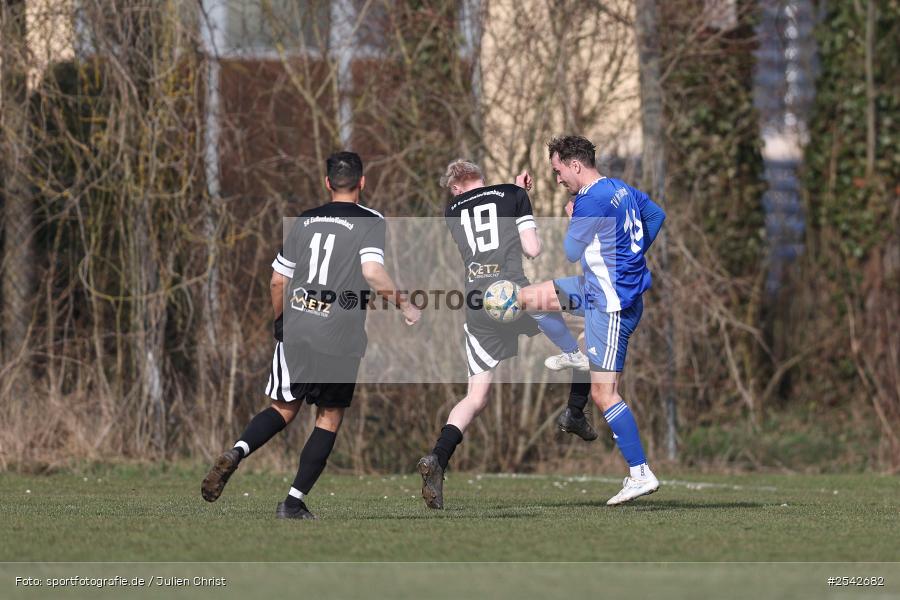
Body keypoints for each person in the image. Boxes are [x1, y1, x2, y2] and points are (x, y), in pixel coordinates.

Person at [201, 151, 420, 519]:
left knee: (283, 408)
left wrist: (281, 322)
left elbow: (276, 279)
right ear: (362, 184)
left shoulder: (303, 221)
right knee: (328, 416)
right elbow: (371, 271)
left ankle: (237, 451)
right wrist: (404, 304)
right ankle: (293, 502)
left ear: (327, 183)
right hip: (339, 334)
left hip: (298, 327)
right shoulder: (370, 220)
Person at [416, 159, 593, 510]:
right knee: (583, 345)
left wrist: (512, 194)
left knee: (476, 397)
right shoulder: (512, 195)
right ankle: (575, 410)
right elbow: (532, 249)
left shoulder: (452, 211)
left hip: (479, 304)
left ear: (454, 188)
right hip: (517, 296)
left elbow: (480, 212)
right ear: (480, 176)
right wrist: (519, 196)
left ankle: (438, 457)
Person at [518, 135, 667, 505]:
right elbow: (656, 215)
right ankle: (573, 353)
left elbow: (570, 251)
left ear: (575, 165)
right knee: (530, 298)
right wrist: (629, 252)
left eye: (558, 171)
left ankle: (640, 473)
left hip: (610, 304)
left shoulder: (589, 201)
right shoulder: (619, 189)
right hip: (593, 289)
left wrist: (573, 216)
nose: (557, 180)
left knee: (604, 393)